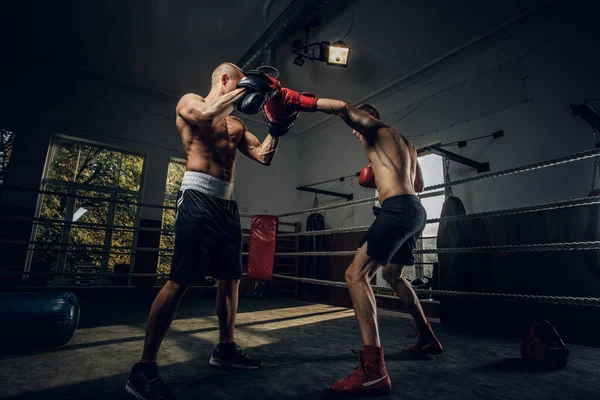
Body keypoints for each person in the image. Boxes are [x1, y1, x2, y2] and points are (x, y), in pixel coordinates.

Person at [126, 63, 295, 400]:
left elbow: (264, 157)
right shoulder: (191, 103)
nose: (245, 89)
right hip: (197, 197)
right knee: (180, 278)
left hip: (227, 205)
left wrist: (277, 126)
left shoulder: (236, 124)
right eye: (239, 81)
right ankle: (143, 369)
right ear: (225, 80)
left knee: (231, 278)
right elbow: (206, 114)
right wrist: (249, 88)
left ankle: (226, 348)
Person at [275, 88, 443, 394]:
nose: (355, 134)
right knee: (392, 275)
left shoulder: (375, 128)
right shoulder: (406, 143)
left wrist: (298, 100)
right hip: (415, 210)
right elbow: (418, 184)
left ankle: (374, 369)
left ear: (365, 119)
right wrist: (382, 179)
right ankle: (427, 335)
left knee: (355, 274)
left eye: (356, 127)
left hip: (398, 209)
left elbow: (340, 106)